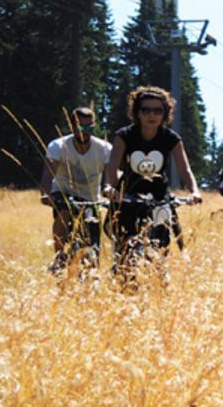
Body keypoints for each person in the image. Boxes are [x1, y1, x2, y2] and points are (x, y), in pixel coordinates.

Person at [104, 86, 203, 270]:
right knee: (126, 248)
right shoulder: (124, 135)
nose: (152, 115)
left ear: (165, 113)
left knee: (160, 247)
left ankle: (159, 282)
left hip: (159, 196)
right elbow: (112, 166)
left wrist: (194, 191)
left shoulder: (170, 138)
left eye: (158, 110)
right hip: (129, 195)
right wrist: (111, 188)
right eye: (146, 110)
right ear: (137, 112)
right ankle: (124, 280)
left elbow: (185, 169)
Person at [39, 107, 112, 274]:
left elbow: (110, 177)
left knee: (92, 245)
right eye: (80, 128)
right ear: (72, 127)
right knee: (64, 209)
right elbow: (47, 174)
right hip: (64, 192)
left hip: (90, 198)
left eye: (89, 128)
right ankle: (59, 257)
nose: (84, 133)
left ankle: (90, 277)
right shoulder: (58, 146)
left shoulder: (104, 149)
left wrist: (110, 191)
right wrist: (45, 194)